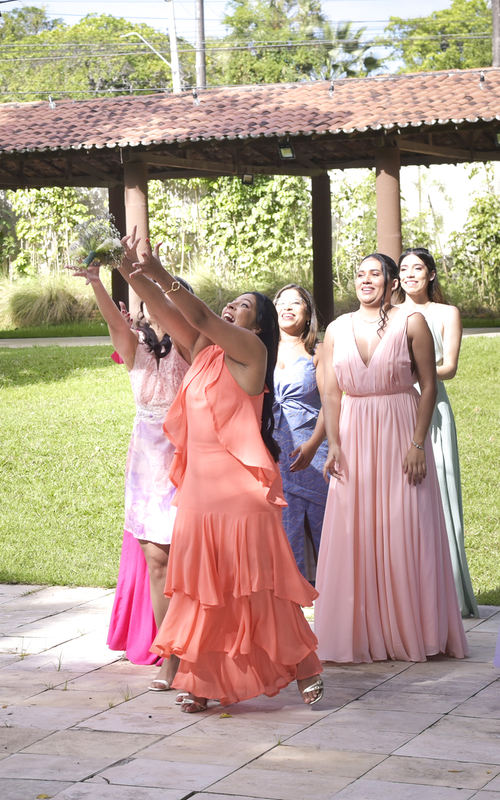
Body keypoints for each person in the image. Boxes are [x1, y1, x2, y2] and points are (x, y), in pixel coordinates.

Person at [117, 229, 323, 713]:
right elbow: (165, 310)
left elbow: (200, 315)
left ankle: (306, 666)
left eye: (244, 306)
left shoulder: (252, 353)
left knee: (260, 589)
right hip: (198, 492)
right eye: (232, 302)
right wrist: (125, 266)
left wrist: (160, 271)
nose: (232, 307)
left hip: (241, 493)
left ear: (259, 324)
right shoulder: (202, 351)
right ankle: (203, 680)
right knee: (201, 593)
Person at [315, 253, 468, 664]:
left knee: (407, 524)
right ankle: (361, 632)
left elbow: (429, 385)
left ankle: (415, 630)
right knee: (355, 529)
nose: (366, 280)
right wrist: (333, 443)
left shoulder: (412, 322)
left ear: (391, 282)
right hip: (353, 432)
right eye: (360, 274)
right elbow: (330, 391)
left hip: (401, 429)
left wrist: (418, 444)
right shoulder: (336, 328)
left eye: (375, 274)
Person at [73, 257, 191, 687]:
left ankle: (197, 649)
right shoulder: (137, 349)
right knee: (156, 562)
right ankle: (170, 656)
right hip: (144, 462)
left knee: (187, 560)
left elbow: (172, 315)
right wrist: (96, 282)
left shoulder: (190, 344)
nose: (152, 309)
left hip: (185, 455)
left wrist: (142, 276)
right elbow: (113, 321)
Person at [396, 247, 477, 618]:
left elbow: (450, 367)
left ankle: (450, 594)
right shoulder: (390, 313)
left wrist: (413, 371)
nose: (410, 274)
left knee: (440, 495)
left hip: (435, 412)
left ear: (431, 274)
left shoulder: (447, 313)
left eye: (418, 268)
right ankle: (409, 591)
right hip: (396, 408)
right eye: (404, 269)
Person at [272, 284, 328, 582]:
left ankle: (336, 598)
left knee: (325, 529)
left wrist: (314, 444)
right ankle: (288, 598)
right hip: (272, 454)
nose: (287, 307)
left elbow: (332, 403)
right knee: (282, 529)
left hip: (313, 454)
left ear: (308, 314)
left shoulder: (318, 351)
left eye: (295, 302)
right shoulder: (260, 348)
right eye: (281, 302)